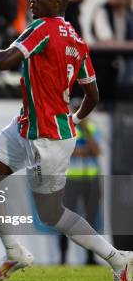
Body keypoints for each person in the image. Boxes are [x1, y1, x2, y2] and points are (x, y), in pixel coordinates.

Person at [0, 0, 133, 281]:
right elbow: (92, 94)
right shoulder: (76, 39)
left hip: (47, 137)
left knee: (52, 213)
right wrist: (73, 119)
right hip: (27, 127)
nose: (32, 0)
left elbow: (4, 61)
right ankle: (15, 252)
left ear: (58, 1)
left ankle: (119, 260)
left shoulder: (42, 29)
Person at [59, 99, 101, 265]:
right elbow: (68, 151)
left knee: (91, 219)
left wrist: (86, 133)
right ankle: (63, 258)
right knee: (65, 220)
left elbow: (96, 150)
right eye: (76, 109)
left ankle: (90, 258)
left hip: (91, 179)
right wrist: (86, 151)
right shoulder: (67, 128)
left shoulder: (90, 127)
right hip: (71, 180)